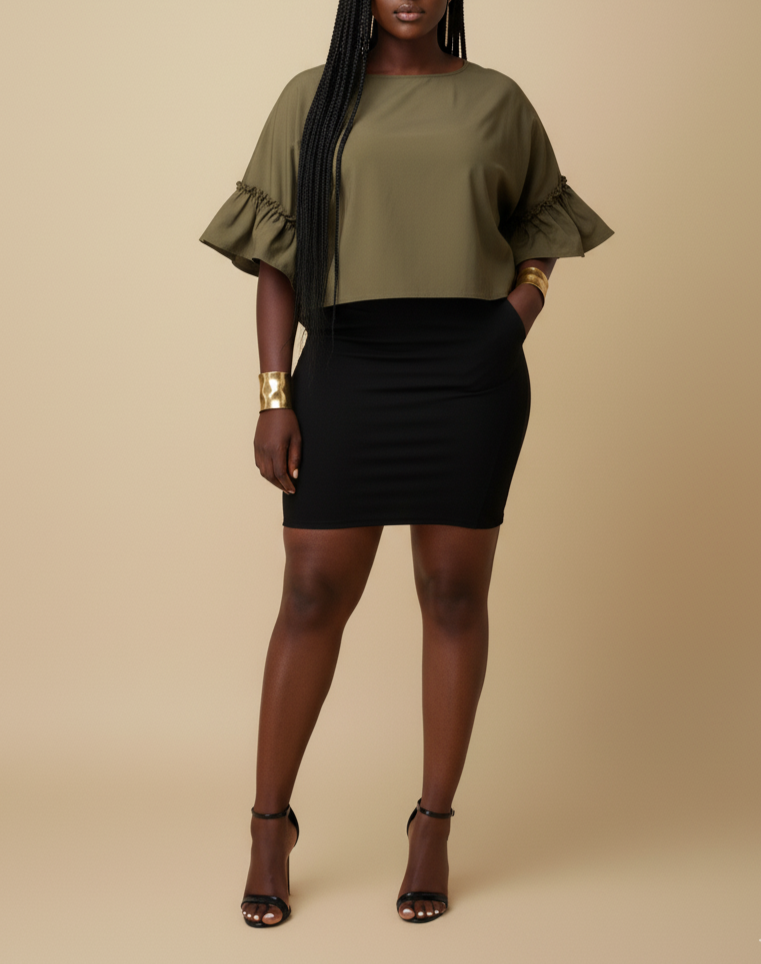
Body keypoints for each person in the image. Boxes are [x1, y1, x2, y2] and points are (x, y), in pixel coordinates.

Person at [199, 0, 613, 927]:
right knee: (312, 593)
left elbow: (542, 223)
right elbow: (274, 259)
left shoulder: (496, 100)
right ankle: (269, 828)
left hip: (471, 374)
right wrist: (274, 394)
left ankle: (433, 826)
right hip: (347, 363)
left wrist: (516, 315)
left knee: (454, 594)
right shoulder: (312, 100)